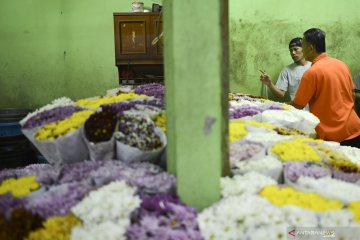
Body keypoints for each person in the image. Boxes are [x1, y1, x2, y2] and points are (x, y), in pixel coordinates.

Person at [292, 28, 360, 148]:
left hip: (334, 138)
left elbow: (298, 105)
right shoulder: (341, 65)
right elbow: (353, 95)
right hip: (355, 129)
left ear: (311, 48)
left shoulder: (312, 73)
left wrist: (275, 106)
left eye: (302, 46)